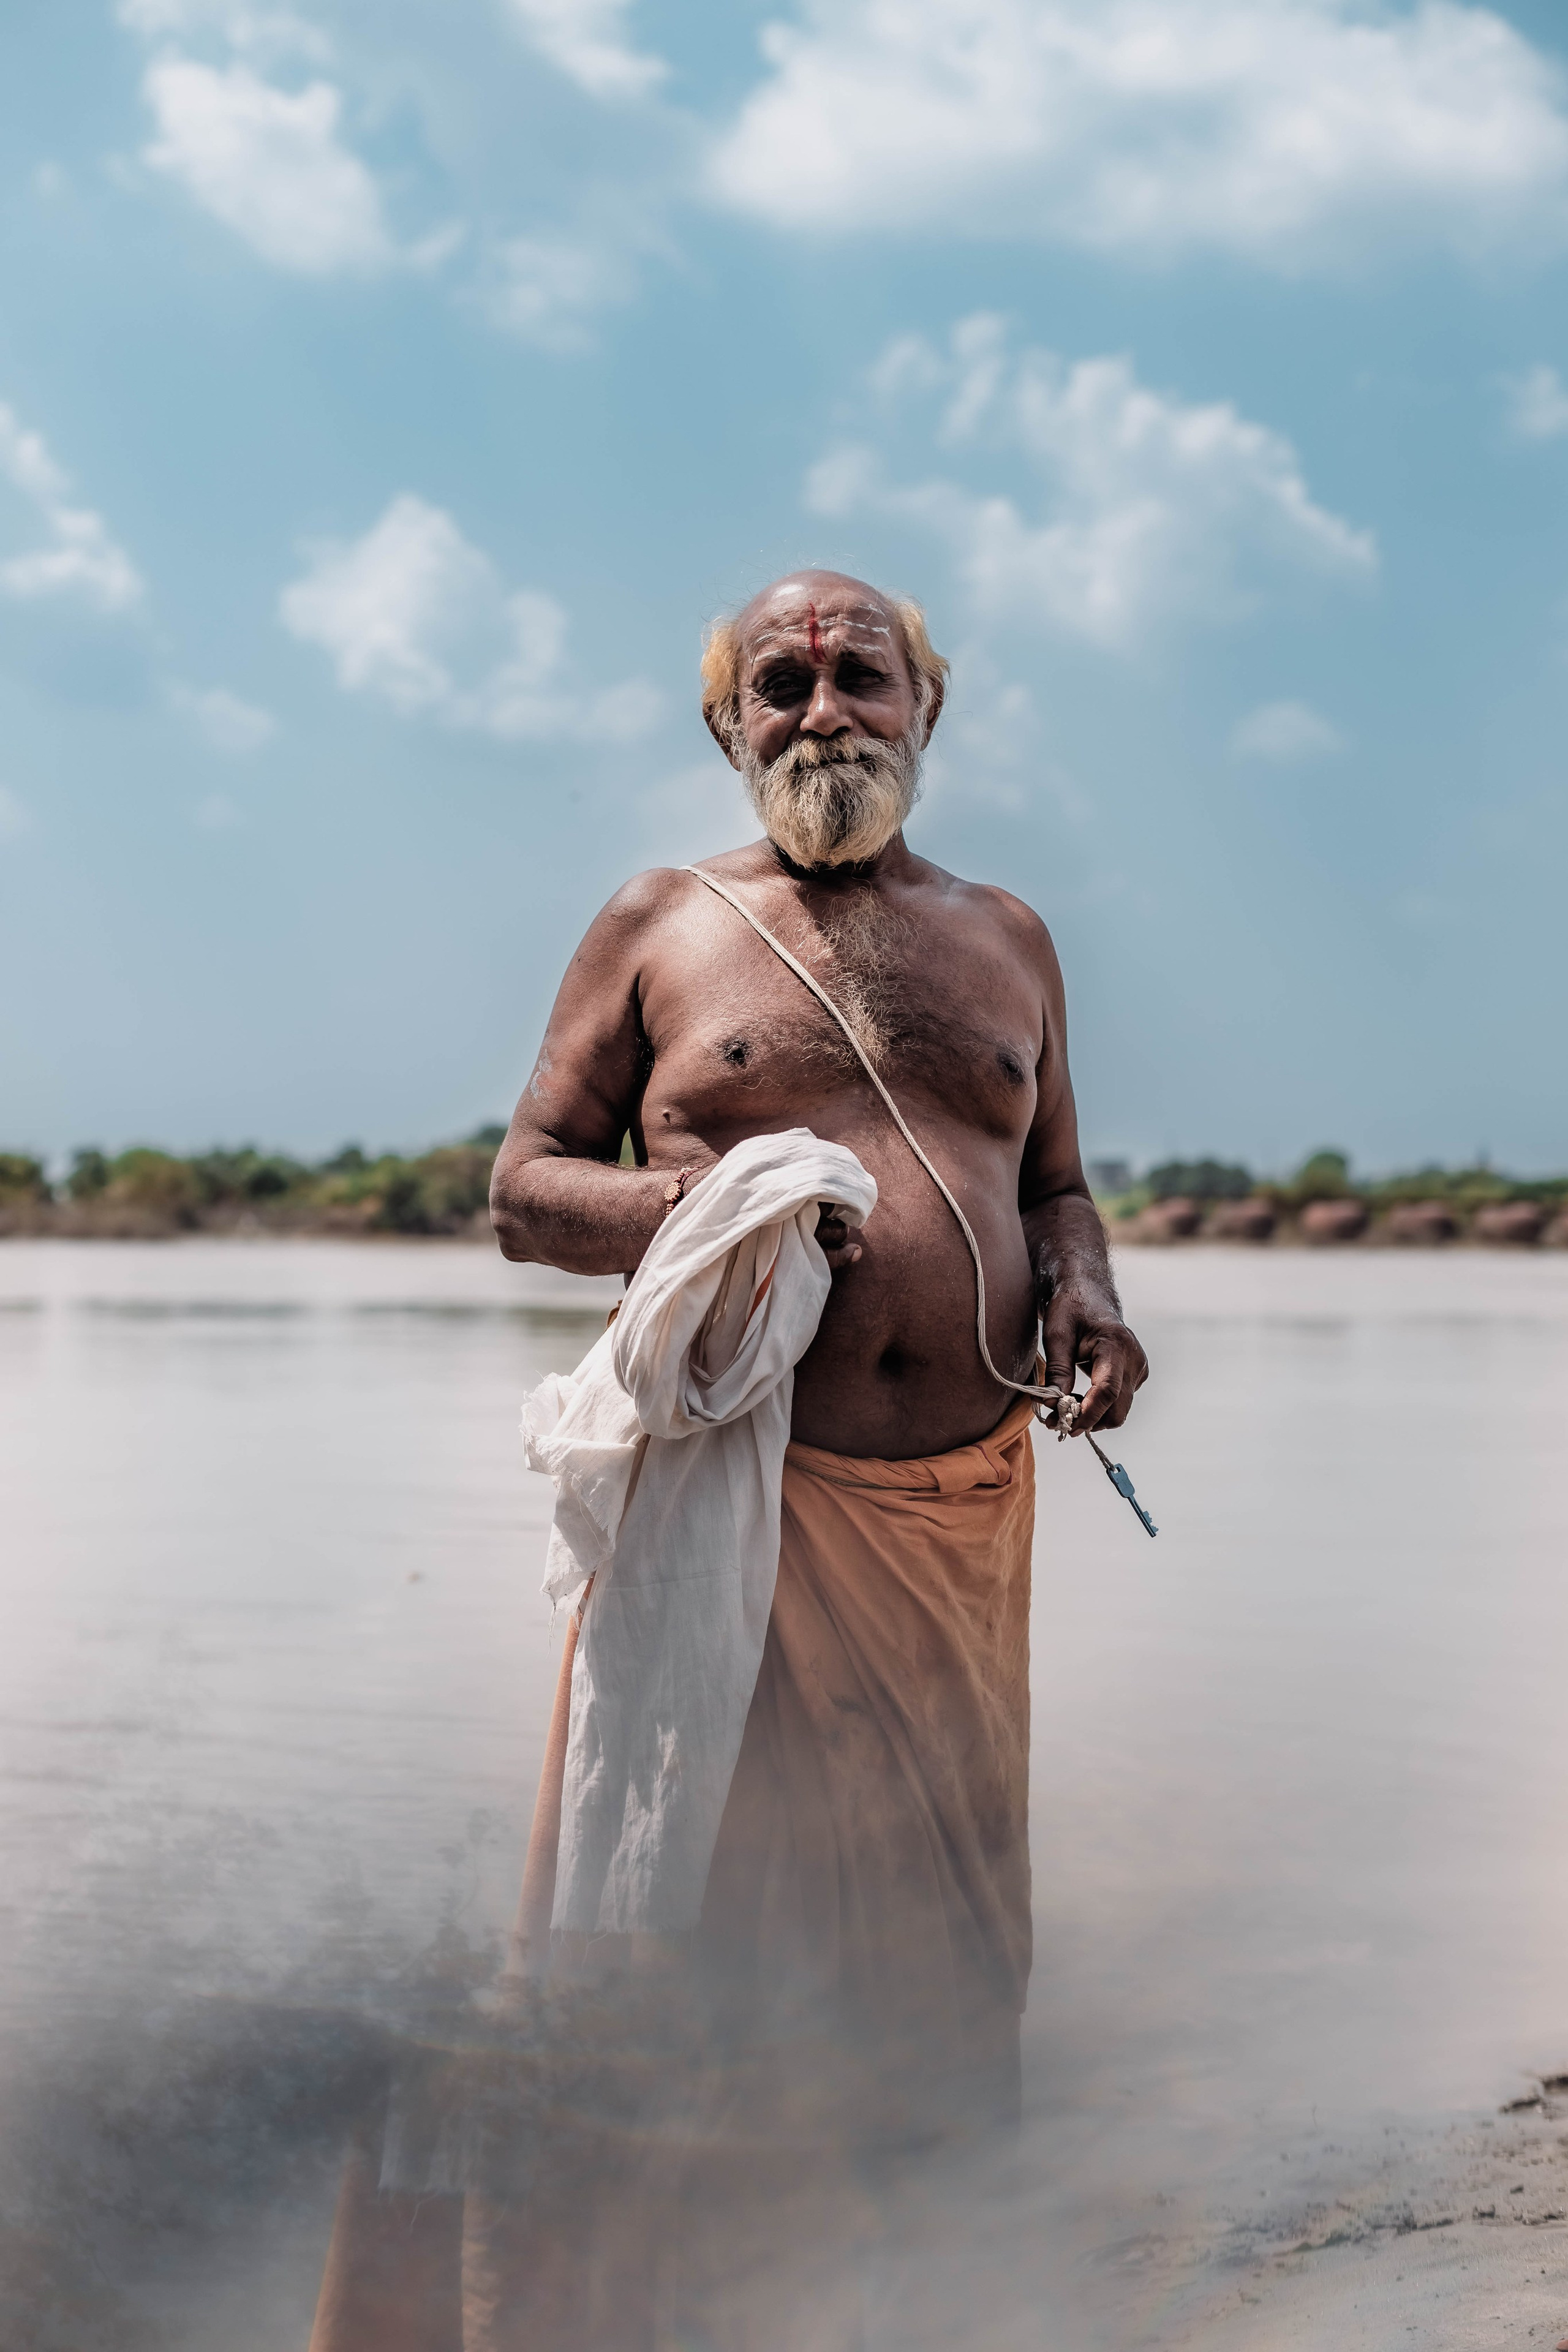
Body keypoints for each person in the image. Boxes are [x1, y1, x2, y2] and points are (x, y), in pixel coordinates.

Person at [308, 569, 1148, 2352]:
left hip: (960, 1522)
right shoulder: (659, 923)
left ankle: (916, 2304)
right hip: (736, 1526)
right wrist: (708, 1211)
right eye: (782, 684)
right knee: (682, 1949)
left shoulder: (1013, 936)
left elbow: (1058, 1184)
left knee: (939, 1952)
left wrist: (1088, 1293)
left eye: (862, 676)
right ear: (726, 725)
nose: (823, 710)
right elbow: (525, 1192)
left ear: (928, 707)